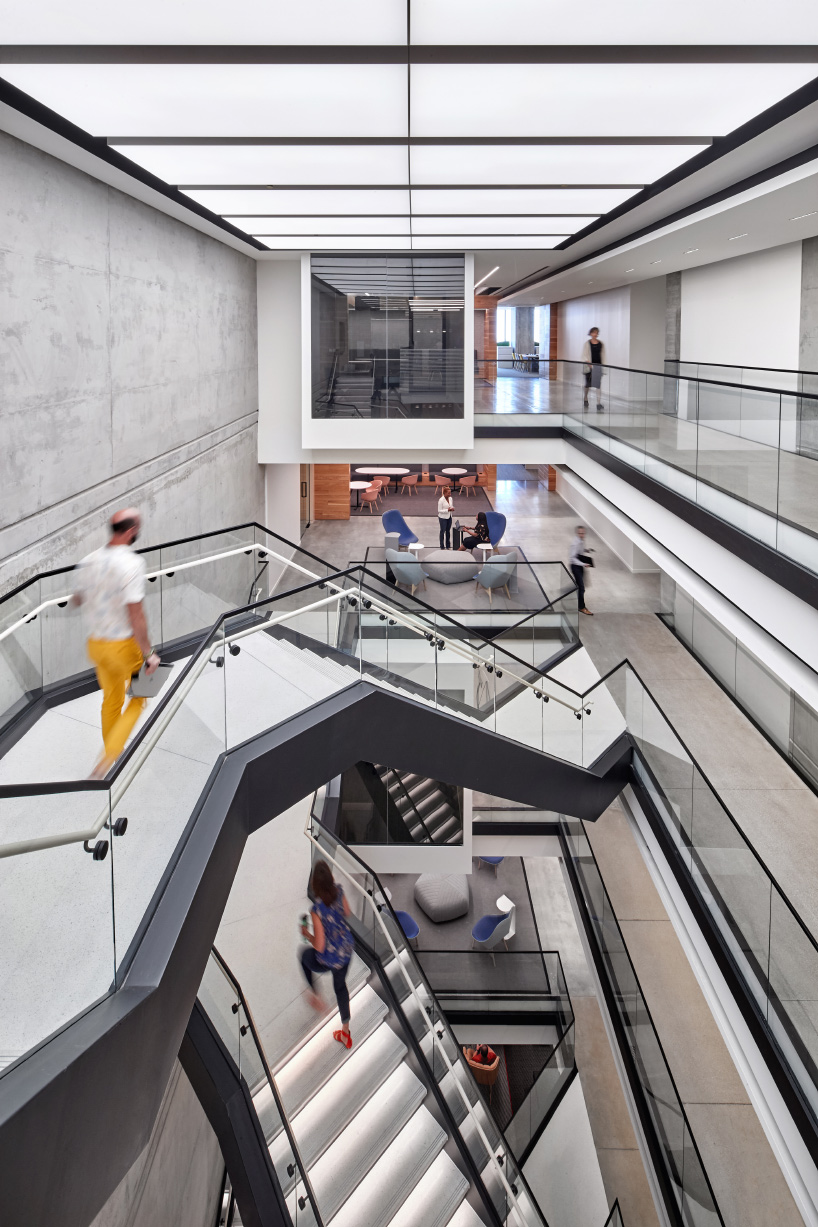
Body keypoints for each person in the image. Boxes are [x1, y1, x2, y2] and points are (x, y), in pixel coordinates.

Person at [72, 508, 160, 777]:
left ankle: (113, 754)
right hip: (123, 646)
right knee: (139, 697)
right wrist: (149, 653)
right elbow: (136, 614)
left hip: (97, 645)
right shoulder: (131, 563)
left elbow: (77, 599)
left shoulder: (90, 560)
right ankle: (108, 756)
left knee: (111, 699)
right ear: (131, 531)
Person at [300, 859, 355, 1049]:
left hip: (330, 959)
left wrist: (307, 934)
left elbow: (320, 947)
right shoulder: (339, 891)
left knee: (304, 957)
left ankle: (316, 996)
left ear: (314, 885)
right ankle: (345, 1032)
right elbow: (347, 912)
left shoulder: (317, 910)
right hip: (347, 950)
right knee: (340, 987)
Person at [569, 525, 594, 616]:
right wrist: (584, 564)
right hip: (575, 566)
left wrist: (586, 550)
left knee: (579, 587)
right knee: (581, 588)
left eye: (583, 533)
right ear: (577, 533)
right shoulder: (575, 543)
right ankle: (581, 607)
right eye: (580, 533)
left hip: (579, 566)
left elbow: (579, 551)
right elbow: (572, 558)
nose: (582, 535)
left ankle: (577, 602)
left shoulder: (581, 541)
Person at [581, 326, 605, 411]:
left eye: (596, 332)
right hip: (589, 367)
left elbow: (603, 355)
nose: (595, 334)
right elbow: (584, 355)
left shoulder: (601, 344)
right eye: (594, 332)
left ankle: (598, 403)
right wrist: (588, 363)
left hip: (598, 366)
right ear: (590, 333)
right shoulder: (587, 344)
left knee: (598, 385)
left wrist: (603, 366)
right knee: (588, 384)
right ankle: (585, 398)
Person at [438, 484, 454, 550]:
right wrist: (447, 510)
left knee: (448, 531)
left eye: (450, 493)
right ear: (444, 493)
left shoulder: (450, 498)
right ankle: (442, 546)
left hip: (449, 517)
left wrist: (452, 508)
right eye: (448, 493)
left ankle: (448, 545)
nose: (450, 494)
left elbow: (451, 505)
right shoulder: (441, 500)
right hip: (442, 518)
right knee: (442, 531)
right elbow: (439, 510)